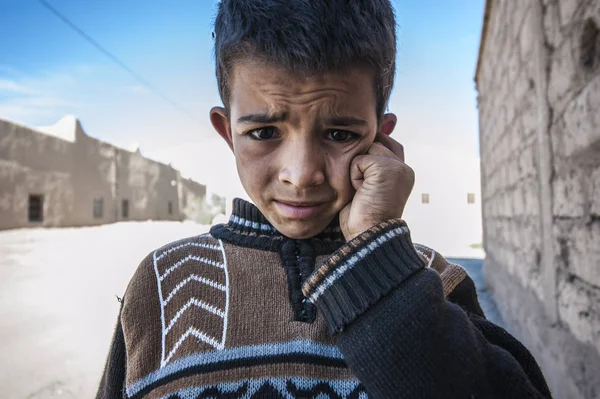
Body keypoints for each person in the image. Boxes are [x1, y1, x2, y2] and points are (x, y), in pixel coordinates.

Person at [96, 1, 552, 398]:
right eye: (264, 133)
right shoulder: (163, 286)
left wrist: (377, 263)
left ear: (380, 139)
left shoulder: (431, 280)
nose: (302, 174)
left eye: (339, 134)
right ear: (227, 133)